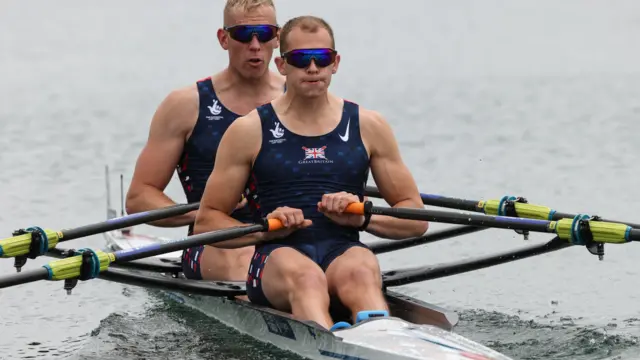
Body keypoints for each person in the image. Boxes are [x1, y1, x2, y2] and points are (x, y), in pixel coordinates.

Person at [193, 15, 429, 330]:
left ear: (336, 63)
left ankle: (381, 336)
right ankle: (327, 341)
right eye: (302, 59)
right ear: (282, 65)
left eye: (323, 58)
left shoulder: (369, 126)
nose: (313, 68)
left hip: (342, 249)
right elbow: (207, 221)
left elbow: (415, 217)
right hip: (277, 256)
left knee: (361, 271)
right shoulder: (249, 130)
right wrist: (266, 230)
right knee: (306, 279)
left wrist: (364, 219)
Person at [125, 0, 285, 282]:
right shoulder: (186, 105)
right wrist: (205, 212)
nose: (256, 44)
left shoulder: (301, 99)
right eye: (244, 34)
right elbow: (139, 198)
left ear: (278, 37)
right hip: (216, 241)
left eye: (265, 33)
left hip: (288, 235)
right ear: (224, 39)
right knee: (247, 258)